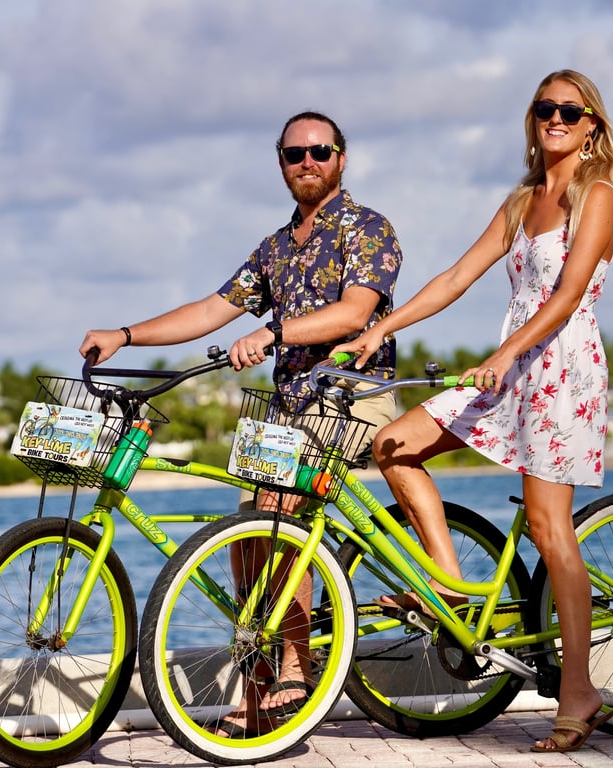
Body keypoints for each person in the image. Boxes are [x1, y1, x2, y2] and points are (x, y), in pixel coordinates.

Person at [331, 69, 613, 753]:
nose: (554, 118)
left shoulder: (599, 196)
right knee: (394, 446)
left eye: (569, 110)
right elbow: (455, 278)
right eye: (543, 108)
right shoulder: (523, 199)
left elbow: (565, 296)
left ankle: (578, 691)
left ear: (591, 126)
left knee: (551, 531)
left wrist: (504, 356)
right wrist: (380, 327)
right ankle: (454, 588)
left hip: (560, 365)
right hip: (508, 364)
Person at [80, 111, 402, 736]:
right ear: (280, 163)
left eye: (319, 151)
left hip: (351, 398)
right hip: (289, 409)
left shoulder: (368, 229)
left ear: (342, 157)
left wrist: (273, 332)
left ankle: (295, 665)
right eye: (293, 154)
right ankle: (262, 686)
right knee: (248, 522)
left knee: (277, 506)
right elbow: (209, 309)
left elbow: (352, 313)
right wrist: (124, 335)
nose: (306, 163)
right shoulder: (275, 248)